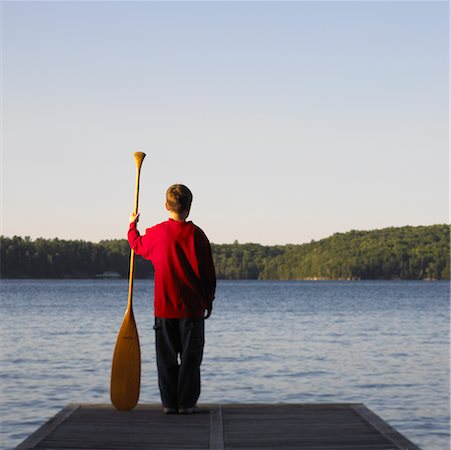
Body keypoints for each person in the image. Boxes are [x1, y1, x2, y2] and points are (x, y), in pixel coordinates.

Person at [128, 184, 216, 415]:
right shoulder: (197, 235)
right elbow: (208, 274)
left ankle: (169, 404)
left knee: (165, 358)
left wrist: (132, 226)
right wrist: (209, 301)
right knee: (190, 358)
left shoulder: (157, 233)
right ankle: (186, 404)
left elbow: (136, 245)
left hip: (165, 308)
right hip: (192, 309)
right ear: (189, 207)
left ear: (166, 206)